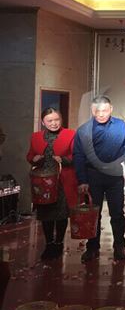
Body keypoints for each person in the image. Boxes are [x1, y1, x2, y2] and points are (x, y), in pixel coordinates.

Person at [73, 95, 125, 263]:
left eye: (105, 110)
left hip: (115, 175)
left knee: (117, 213)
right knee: (94, 214)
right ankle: (92, 247)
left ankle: (119, 246)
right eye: (97, 111)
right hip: (93, 176)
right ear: (92, 110)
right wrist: (82, 180)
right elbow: (78, 155)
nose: (101, 114)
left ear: (111, 109)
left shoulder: (120, 126)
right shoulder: (84, 130)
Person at [26, 108, 78, 260]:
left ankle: (59, 243)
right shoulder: (36, 137)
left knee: (61, 214)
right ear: (43, 122)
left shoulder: (70, 134)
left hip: (62, 181)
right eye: (50, 121)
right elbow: (29, 155)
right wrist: (34, 159)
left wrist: (64, 160)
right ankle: (49, 244)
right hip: (43, 183)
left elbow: (76, 155)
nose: (54, 123)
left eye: (57, 120)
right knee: (46, 213)